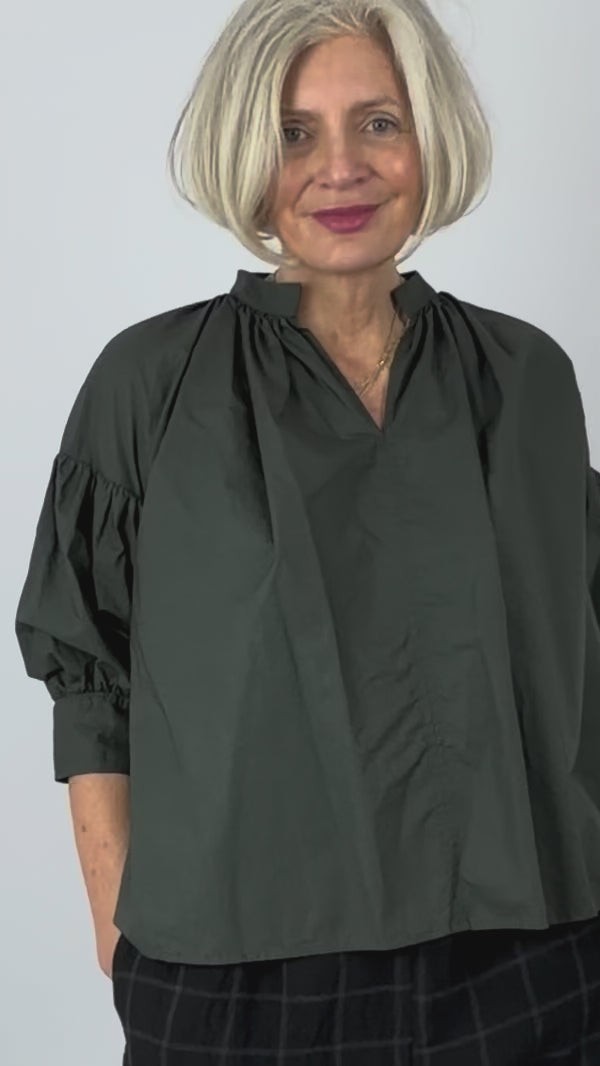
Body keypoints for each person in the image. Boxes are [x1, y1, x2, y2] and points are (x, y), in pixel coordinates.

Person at [14, 0, 600, 1062]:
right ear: (245, 151)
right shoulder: (151, 385)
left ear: (430, 135)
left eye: (378, 122)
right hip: (235, 979)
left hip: (528, 959)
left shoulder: (527, 380)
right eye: (293, 132)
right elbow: (88, 665)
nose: (341, 168)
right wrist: (115, 920)